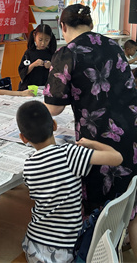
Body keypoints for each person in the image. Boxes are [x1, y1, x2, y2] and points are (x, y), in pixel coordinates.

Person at [43, 4, 137, 263]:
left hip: (106, 138)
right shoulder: (112, 45)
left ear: (62, 27)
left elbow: (53, 107)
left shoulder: (66, 52)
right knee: (136, 208)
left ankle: (100, 254)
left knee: (103, 211)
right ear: (91, 25)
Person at [16, 101, 123, 263]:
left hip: (34, 247)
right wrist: (91, 143)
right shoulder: (71, 153)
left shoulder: (29, 166)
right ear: (54, 125)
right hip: (67, 248)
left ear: (23, 138)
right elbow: (117, 158)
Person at [18, 24, 57, 90]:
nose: (43, 43)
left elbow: (59, 73)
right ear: (34, 37)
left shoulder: (52, 53)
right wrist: (33, 65)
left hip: (46, 88)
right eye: (40, 40)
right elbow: (22, 72)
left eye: (46, 40)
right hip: (30, 88)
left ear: (50, 39)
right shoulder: (29, 53)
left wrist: (51, 66)